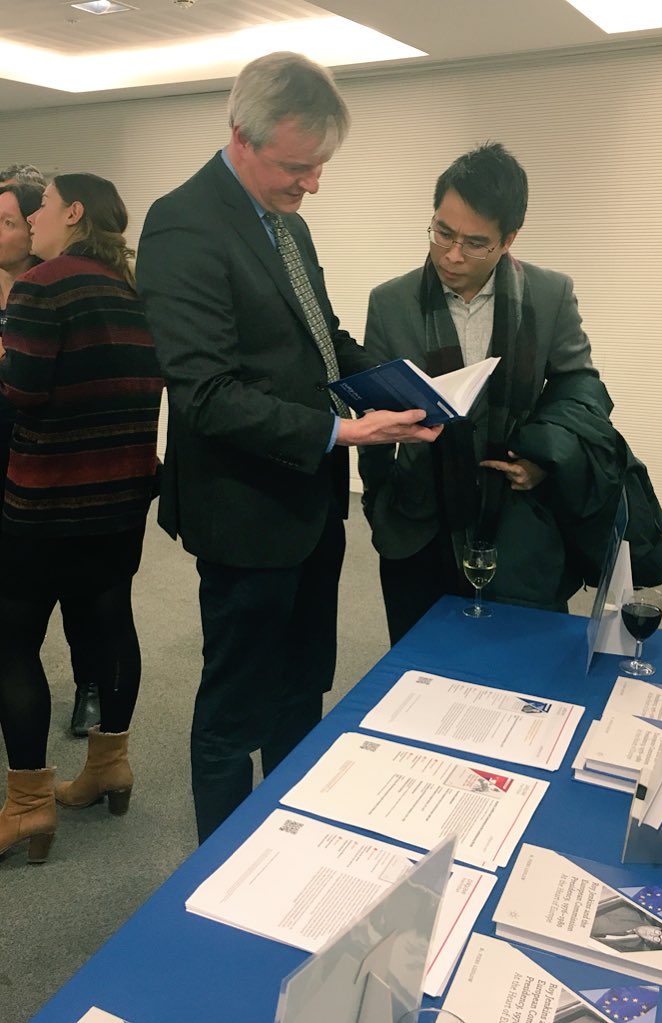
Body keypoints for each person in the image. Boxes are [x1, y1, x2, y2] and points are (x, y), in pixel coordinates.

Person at [136, 51, 441, 843]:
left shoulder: (288, 229)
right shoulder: (182, 224)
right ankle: (223, 864)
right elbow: (205, 396)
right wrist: (344, 429)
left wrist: (408, 388)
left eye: (320, 167)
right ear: (242, 135)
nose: (312, 184)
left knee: (303, 689)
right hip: (241, 514)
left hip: (309, 507)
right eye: (298, 166)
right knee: (234, 708)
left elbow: (323, 344)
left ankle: (287, 844)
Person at [358, 142, 624, 644]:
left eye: (475, 243)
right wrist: (379, 503)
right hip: (420, 521)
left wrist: (547, 459)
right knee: (420, 674)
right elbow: (375, 408)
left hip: (521, 520)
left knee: (524, 673)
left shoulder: (550, 294)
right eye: (442, 232)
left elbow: (580, 389)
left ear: (508, 239)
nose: (452, 254)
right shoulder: (389, 302)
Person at [0, 173, 163, 864]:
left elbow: (21, 395)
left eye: (38, 207)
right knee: (109, 624)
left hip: (45, 503)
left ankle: (29, 804)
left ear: (72, 212)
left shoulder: (43, 284)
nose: (31, 218)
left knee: (11, 643)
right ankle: (108, 767)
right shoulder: (134, 290)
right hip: (121, 500)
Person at [0, 167, 102, 738]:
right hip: (3, 459)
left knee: (80, 594)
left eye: (8, 222)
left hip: (53, 465)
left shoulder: (62, 286)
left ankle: (90, 686)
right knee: (13, 603)